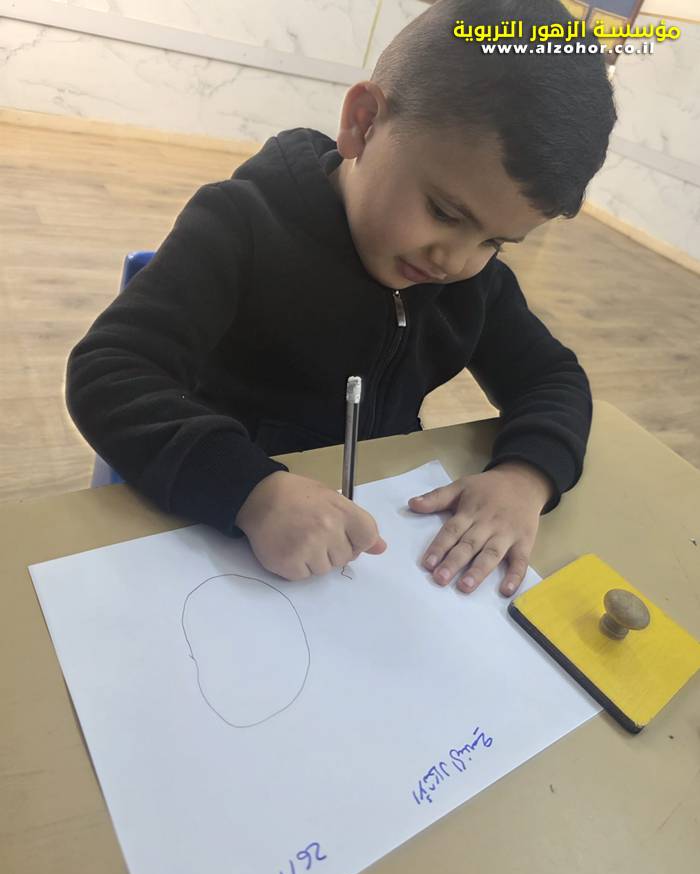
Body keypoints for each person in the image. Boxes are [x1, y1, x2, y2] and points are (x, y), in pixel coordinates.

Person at [66, 0, 617, 597]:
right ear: (363, 122)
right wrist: (250, 491)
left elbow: (551, 376)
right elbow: (109, 371)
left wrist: (526, 475)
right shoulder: (239, 226)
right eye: (444, 212)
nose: (454, 261)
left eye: (494, 241)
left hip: (367, 536)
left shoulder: (471, 282)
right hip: (213, 528)